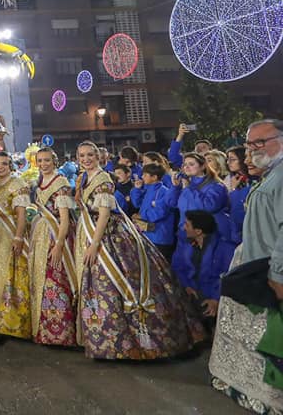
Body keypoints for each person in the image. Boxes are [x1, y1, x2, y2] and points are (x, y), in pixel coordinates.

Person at [74, 140, 202, 359]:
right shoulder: (83, 178)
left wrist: (95, 244)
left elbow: (104, 214)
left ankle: (130, 341)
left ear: (98, 157)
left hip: (108, 237)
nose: (86, 159)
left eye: (90, 155)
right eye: (82, 155)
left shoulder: (103, 178)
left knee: (117, 283)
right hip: (90, 232)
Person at [210, 119, 283, 410]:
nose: (253, 150)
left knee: (270, 336)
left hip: (269, 271)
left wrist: (278, 275)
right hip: (256, 266)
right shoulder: (271, 175)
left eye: (260, 142)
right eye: (250, 144)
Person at [27, 147, 77, 347]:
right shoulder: (39, 182)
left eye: (47, 160)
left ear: (54, 161)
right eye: (40, 160)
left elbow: (64, 219)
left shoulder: (61, 183)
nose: (43, 164)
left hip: (56, 236)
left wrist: (58, 245)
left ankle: (62, 333)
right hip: (41, 236)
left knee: (56, 282)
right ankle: (45, 331)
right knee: (41, 280)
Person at [0, 151, 32, 339]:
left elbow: (21, 214)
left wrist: (18, 237)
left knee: (10, 276)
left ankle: (14, 323)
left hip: (11, 234)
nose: (0, 167)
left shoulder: (17, 184)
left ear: (10, 165)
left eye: (4, 163)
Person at [172, 210, 234, 329]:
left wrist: (216, 299)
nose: (183, 228)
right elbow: (178, 268)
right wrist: (186, 286)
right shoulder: (185, 245)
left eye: (187, 225)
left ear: (198, 231)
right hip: (192, 293)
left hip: (215, 297)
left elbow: (228, 278)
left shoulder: (226, 249)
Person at [168, 151, 229, 248]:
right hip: (184, 235)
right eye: (185, 164)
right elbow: (171, 204)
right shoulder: (187, 184)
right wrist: (175, 187)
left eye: (191, 164)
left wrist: (189, 189)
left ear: (202, 166)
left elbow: (208, 207)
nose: (186, 167)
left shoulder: (216, 186)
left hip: (204, 237)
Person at [131, 163, 178, 259]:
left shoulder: (164, 191)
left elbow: (160, 213)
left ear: (154, 177)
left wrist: (142, 216)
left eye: (145, 175)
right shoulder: (147, 190)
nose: (142, 177)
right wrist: (137, 190)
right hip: (147, 235)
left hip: (160, 237)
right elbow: (137, 204)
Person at [225, 145, 251, 246]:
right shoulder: (231, 179)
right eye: (228, 159)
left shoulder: (253, 180)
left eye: (232, 159)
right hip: (236, 231)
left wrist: (234, 190)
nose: (228, 163)